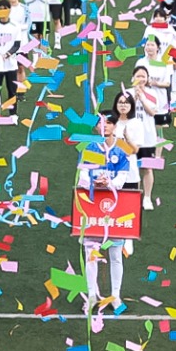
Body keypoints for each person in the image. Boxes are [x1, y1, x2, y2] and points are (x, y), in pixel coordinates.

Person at [73, 131, 141, 328]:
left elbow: (122, 178)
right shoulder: (91, 149)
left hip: (115, 209)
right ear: (96, 128)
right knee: (90, 254)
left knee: (116, 255)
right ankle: (92, 295)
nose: (106, 127)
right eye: (102, 123)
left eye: (110, 122)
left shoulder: (119, 151)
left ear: (114, 126)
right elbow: (82, 175)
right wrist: (92, 183)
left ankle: (115, 296)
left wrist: (108, 183)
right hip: (92, 207)